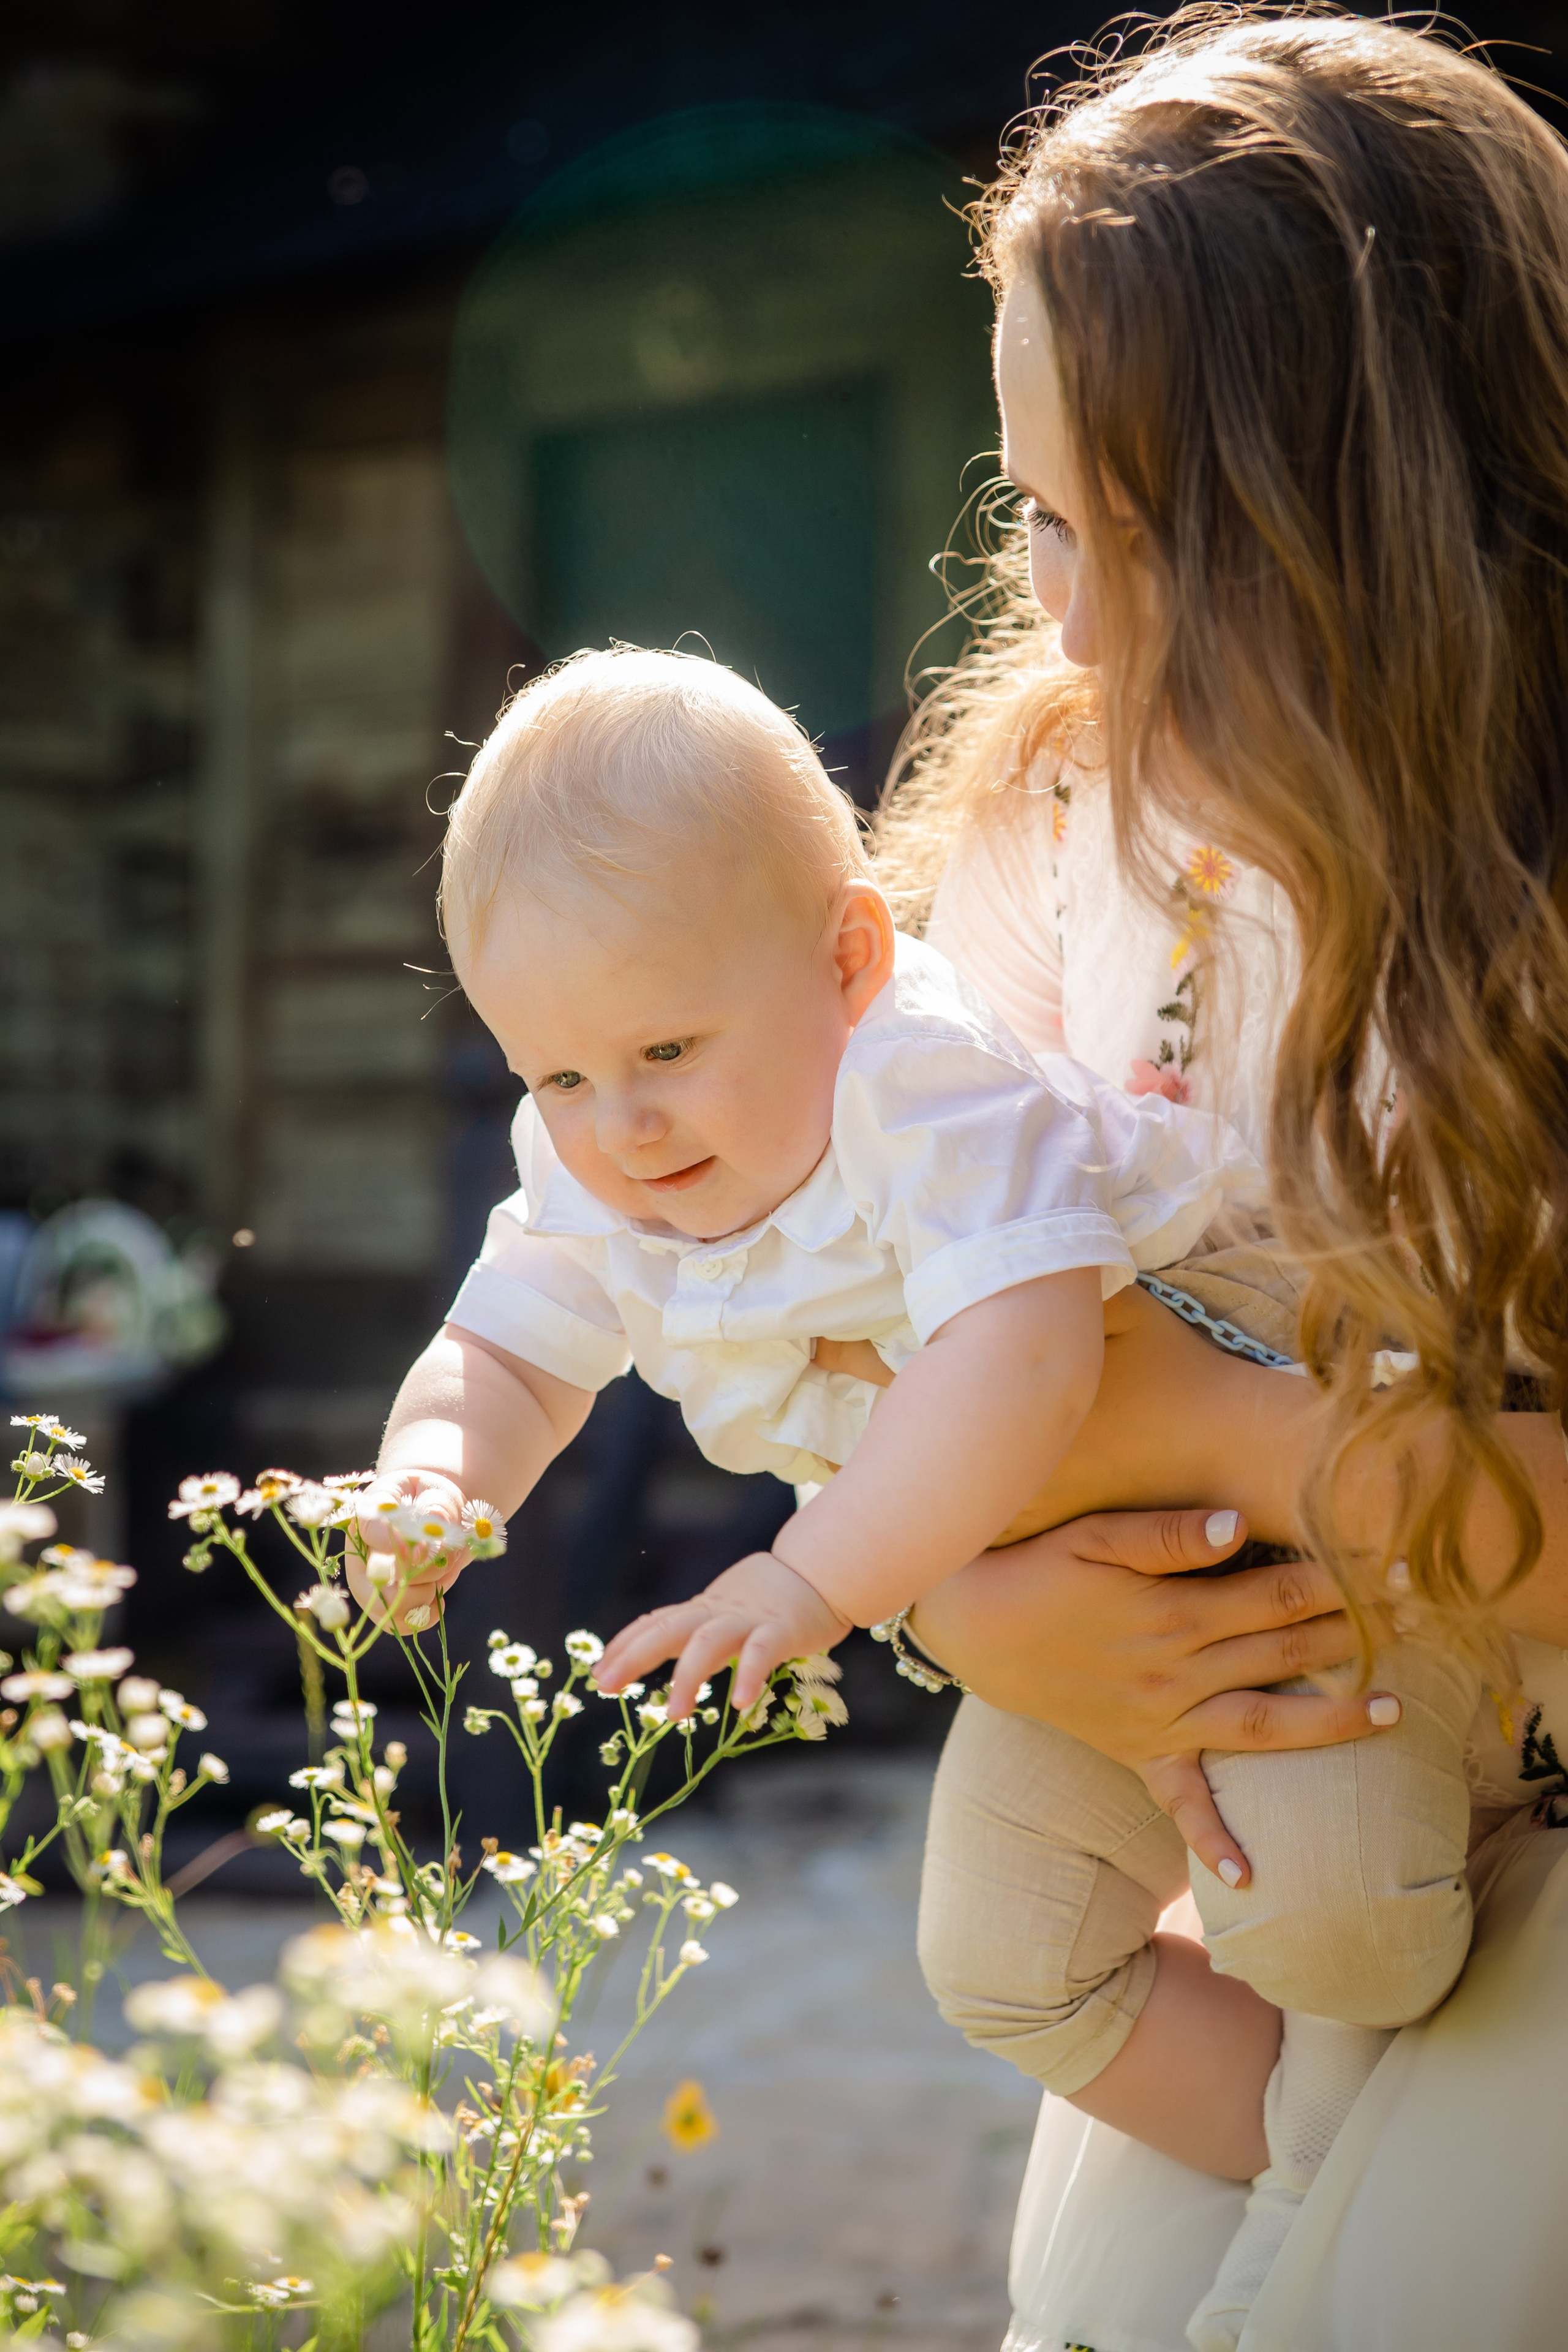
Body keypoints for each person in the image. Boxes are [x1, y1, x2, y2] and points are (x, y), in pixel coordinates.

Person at [872, 10, 1568, 2346]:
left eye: (1134, 535)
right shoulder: (1071, 831)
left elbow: (1146, 1396)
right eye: (1034, 516)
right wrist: (969, 1602)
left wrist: (1214, 1434)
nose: (1055, 615)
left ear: (1375, 535)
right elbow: (907, 1289)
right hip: (1291, 1780)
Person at [355, 642, 1303, 1691]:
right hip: (1051, 1553)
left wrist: (808, 1582)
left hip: (1258, 1396)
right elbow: (506, 1356)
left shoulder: (926, 1092)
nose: (625, 1127)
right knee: (1010, 1852)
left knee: (1311, 1825)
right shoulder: (598, 1160)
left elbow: (1024, 1358)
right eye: (560, 1079)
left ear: (849, 963)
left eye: (668, 1052)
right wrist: (435, 1474)